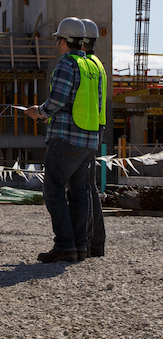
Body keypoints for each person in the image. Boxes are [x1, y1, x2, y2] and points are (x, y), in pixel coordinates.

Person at [27, 17, 101, 263]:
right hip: (89, 138)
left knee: (53, 188)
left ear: (64, 40)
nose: (57, 43)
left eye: (57, 38)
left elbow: (56, 102)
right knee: (80, 192)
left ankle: (65, 245)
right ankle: (80, 246)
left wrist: (39, 112)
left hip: (66, 137)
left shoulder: (67, 64)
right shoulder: (90, 66)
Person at [80, 18, 107, 257]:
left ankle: (89, 242)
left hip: (85, 129)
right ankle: (95, 243)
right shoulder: (98, 64)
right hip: (95, 127)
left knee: (84, 187)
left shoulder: (85, 64)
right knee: (90, 186)